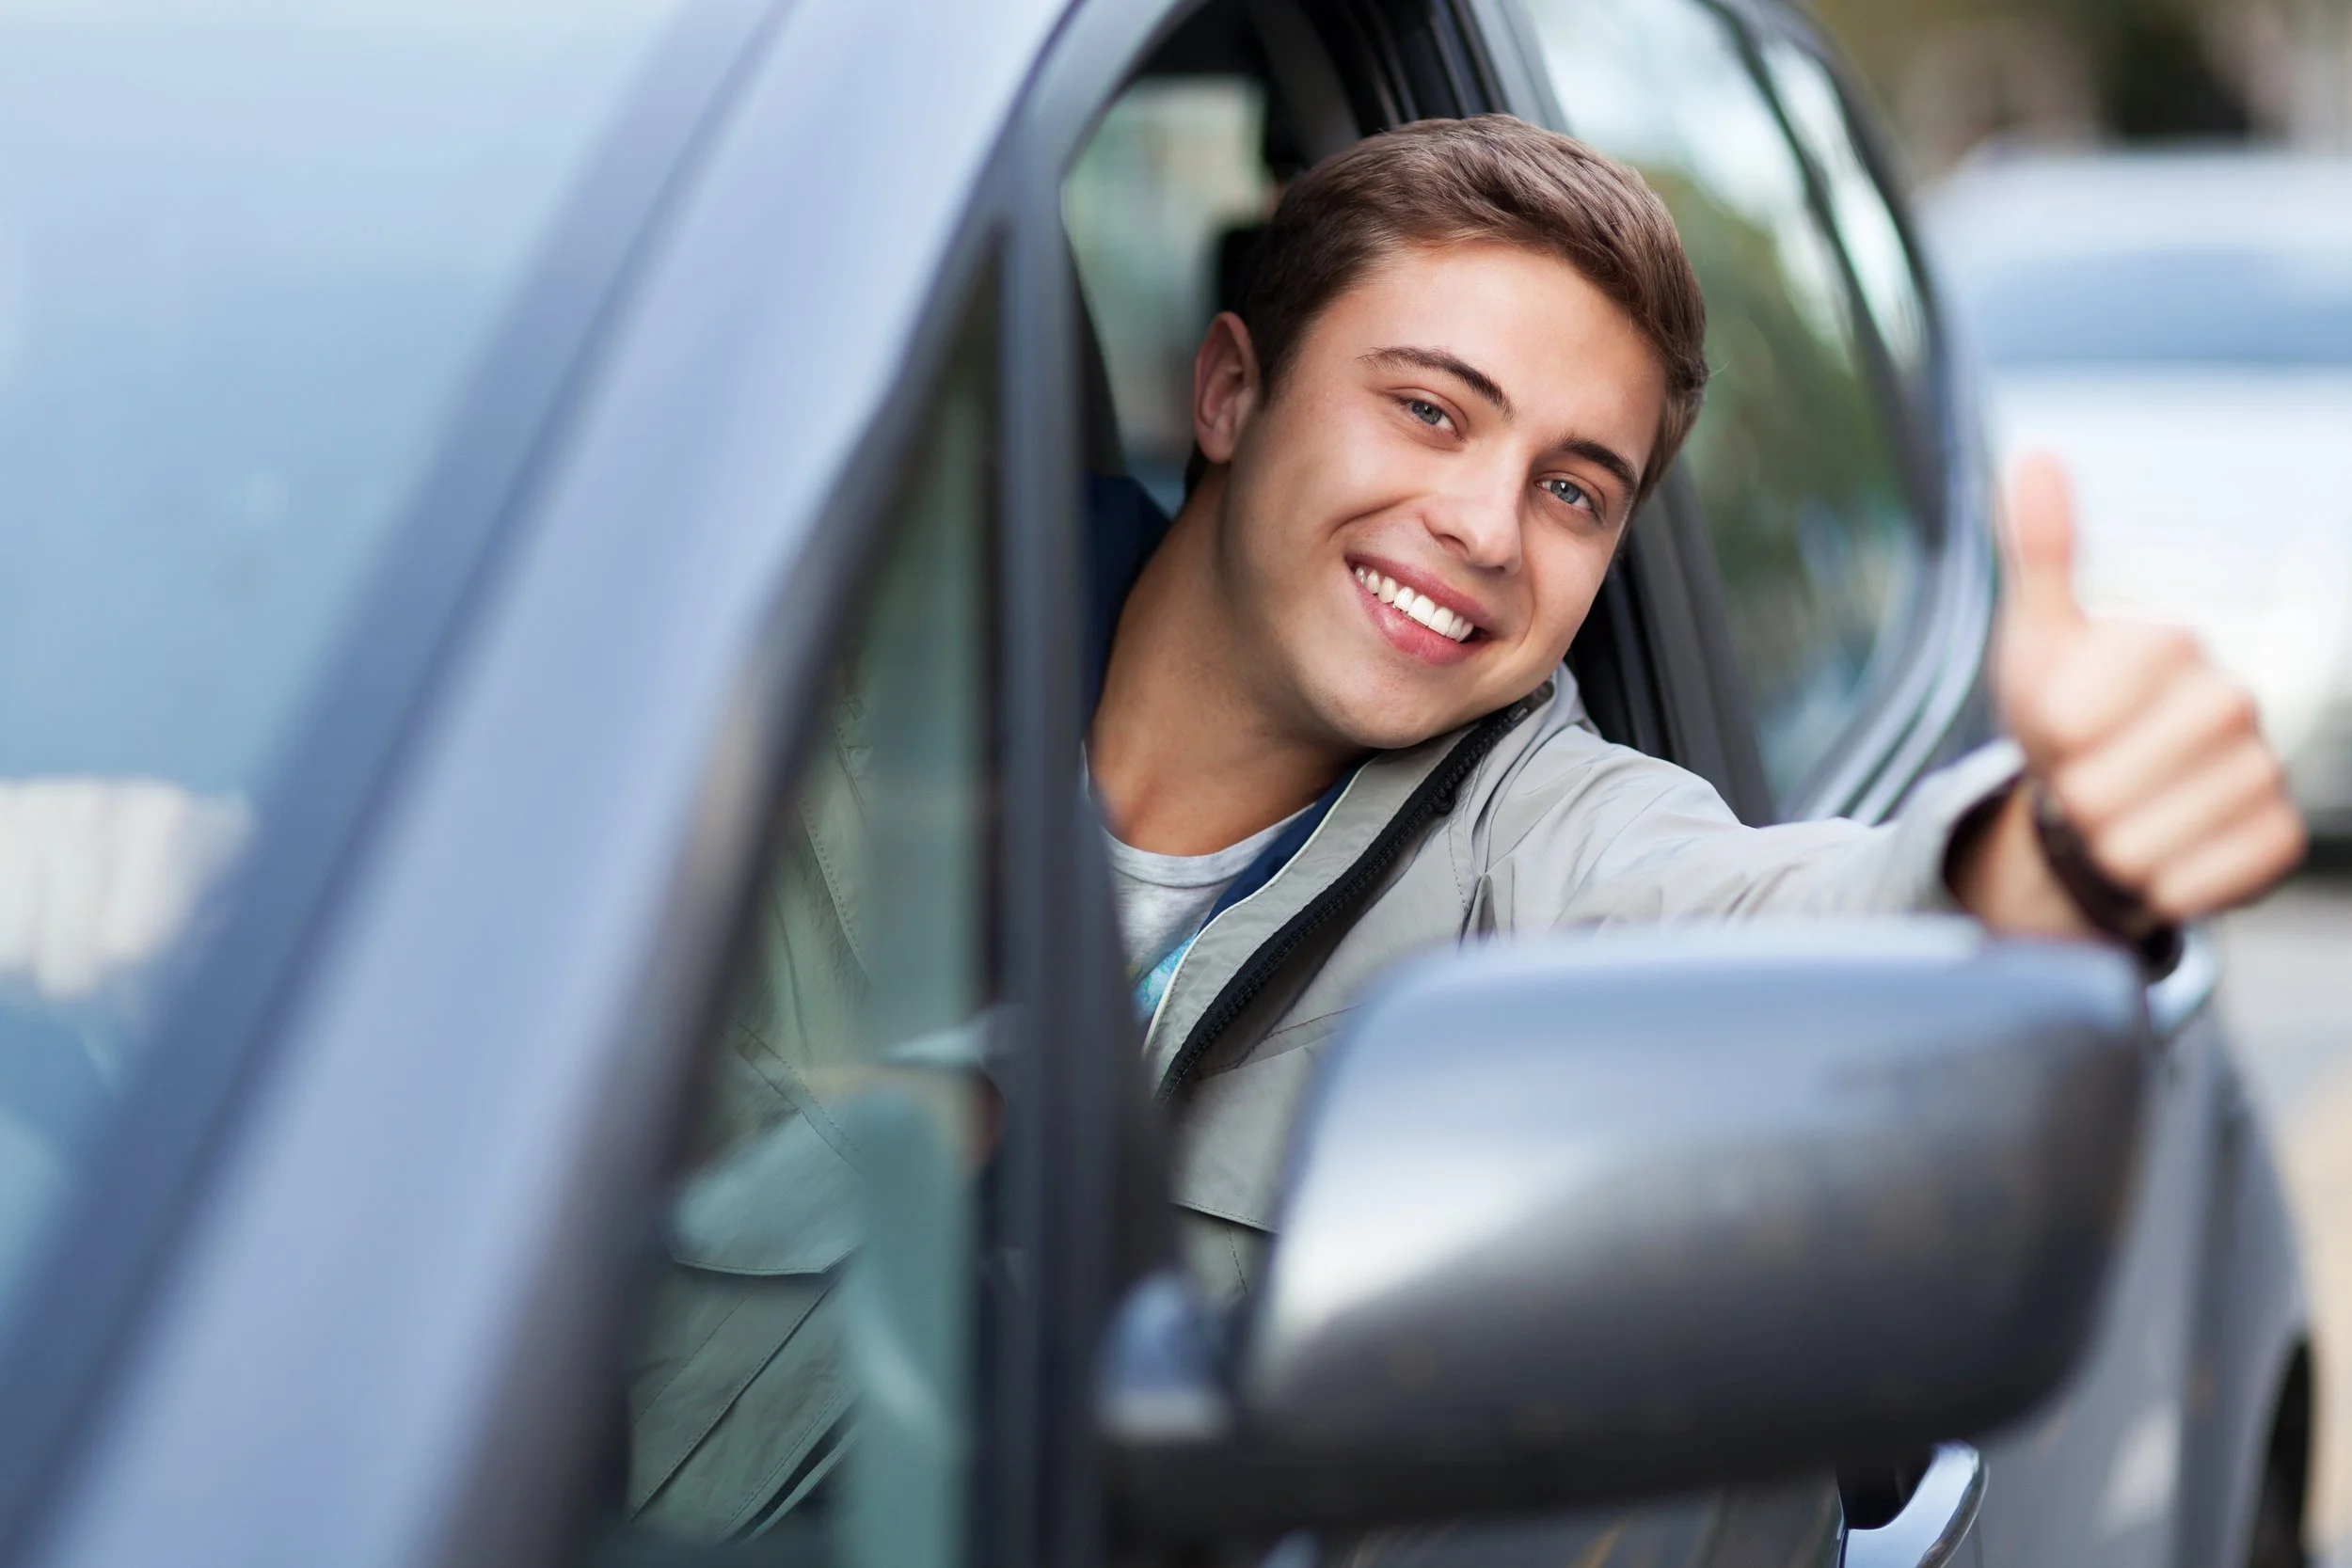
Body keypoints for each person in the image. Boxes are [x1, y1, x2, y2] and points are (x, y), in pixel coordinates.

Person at [622, 114, 2303, 1533]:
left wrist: (2047, 860)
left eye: (1576, 488)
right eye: (1430, 409)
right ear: (1229, 393)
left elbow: (1787, 919)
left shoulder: (1535, 834)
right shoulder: (779, 684)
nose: (1485, 525)